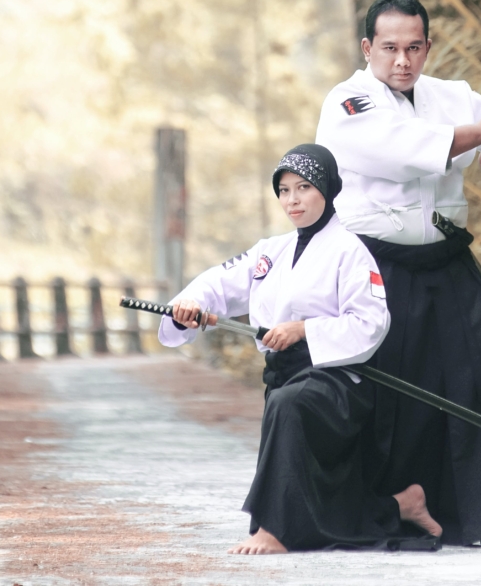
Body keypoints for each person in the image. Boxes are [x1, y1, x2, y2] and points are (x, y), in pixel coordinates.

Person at [316, 0, 481, 548]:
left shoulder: (450, 96)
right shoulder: (348, 103)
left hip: (446, 258)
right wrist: (480, 134)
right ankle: (385, 510)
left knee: (477, 382)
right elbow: (399, 150)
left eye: (414, 47)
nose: (402, 60)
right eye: (389, 47)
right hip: (375, 263)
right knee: (383, 391)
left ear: (427, 47)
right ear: (367, 47)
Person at [159, 143, 443, 554]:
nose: (292, 200)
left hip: (339, 380)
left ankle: (273, 529)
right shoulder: (268, 252)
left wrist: (305, 330)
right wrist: (190, 306)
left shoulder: (351, 249)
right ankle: (401, 505)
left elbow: (372, 322)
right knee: (307, 471)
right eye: (284, 190)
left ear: (326, 190)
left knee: (288, 405)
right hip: (286, 376)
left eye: (304, 188)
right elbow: (217, 284)